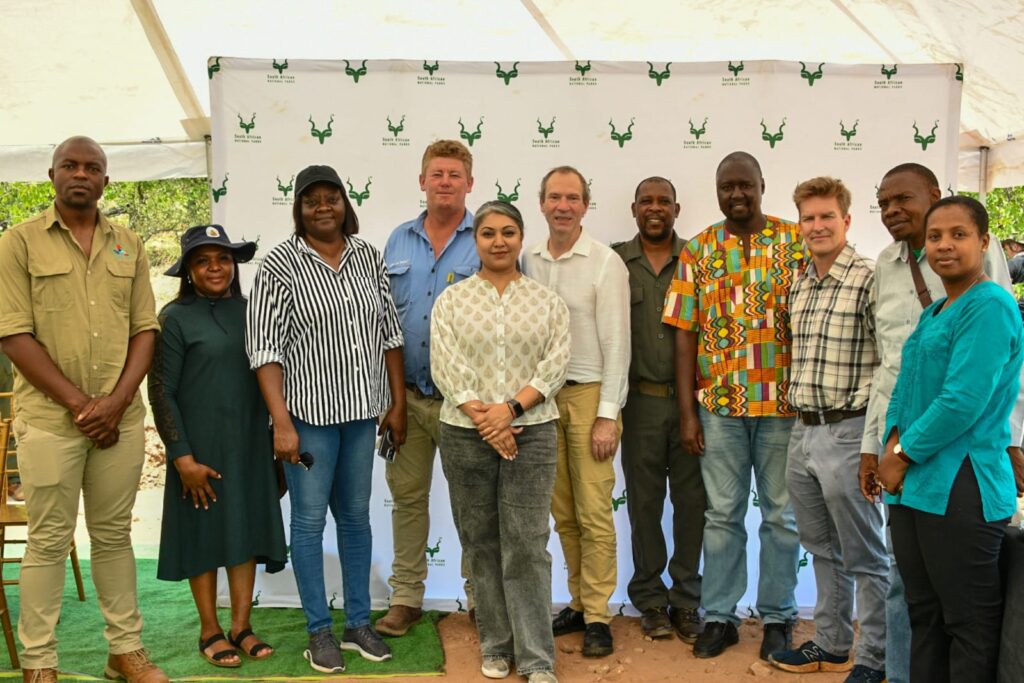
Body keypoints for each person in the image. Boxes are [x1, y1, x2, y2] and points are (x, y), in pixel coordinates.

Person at [0, 136, 167, 683]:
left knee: (114, 535)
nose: (81, 174)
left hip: (119, 420)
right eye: (70, 165)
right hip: (51, 421)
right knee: (49, 539)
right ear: (51, 175)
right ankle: (41, 664)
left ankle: (125, 651)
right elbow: (13, 334)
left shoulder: (130, 244)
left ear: (105, 181)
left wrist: (115, 403)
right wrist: (80, 406)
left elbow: (145, 328)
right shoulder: (18, 243)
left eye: (92, 167)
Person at [859, 162, 1021, 683]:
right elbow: (904, 392)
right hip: (914, 489)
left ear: (984, 242)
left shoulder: (990, 306)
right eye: (935, 236)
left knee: (968, 622)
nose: (944, 245)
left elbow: (962, 401)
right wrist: (890, 448)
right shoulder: (934, 314)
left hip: (964, 486)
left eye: (958, 234)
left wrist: (900, 456)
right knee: (925, 615)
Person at [246, 164, 405, 674]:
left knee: (356, 519)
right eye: (311, 199)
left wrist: (396, 402)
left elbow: (390, 334)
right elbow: (264, 350)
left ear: (345, 202)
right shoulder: (277, 265)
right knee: (310, 522)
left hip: (362, 415)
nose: (322, 206)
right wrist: (281, 422)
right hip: (307, 418)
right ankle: (319, 631)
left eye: (330, 197)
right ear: (298, 208)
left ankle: (359, 623)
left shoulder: (367, 257)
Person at [662, 151, 802, 660]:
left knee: (782, 518)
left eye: (745, 185)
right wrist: (687, 413)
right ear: (717, 191)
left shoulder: (796, 241)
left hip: (785, 408)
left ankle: (779, 618)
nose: (736, 194)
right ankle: (719, 617)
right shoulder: (699, 250)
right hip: (719, 407)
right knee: (722, 516)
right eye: (727, 187)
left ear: (763, 184)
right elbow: (683, 336)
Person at [431, 201, 570, 683]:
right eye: (488, 232)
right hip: (466, 436)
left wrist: (508, 413)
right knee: (482, 543)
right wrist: (485, 419)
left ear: (520, 237)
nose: (498, 241)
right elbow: (447, 366)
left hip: (531, 434)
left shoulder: (547, 301)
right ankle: (495, 644)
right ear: (476, 239)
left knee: (528, 545)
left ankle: (536, 658)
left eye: (508, 232)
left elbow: (554, 365)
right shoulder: (451, 300)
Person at [148, 224, 287, 668]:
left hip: (249, 442)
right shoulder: (173, 318)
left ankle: (241, 626)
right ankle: (210, 629)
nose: (215, 267)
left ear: (234, 264)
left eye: (223, 259)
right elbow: (160, 390)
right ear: (188, 270)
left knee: (243, 532)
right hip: (199, 448)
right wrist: (181, 455)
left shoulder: (254, 312)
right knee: (205, 535)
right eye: (203, 260)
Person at [767, 177, 886, 683]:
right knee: (819, 547)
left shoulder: (867, 279)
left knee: (864, 555)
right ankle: (834, 644)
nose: (817, 226)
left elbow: (887, 364)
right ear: (800, 225)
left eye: (826, 217)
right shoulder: (800, 280)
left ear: (847, 221)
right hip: (803, 430)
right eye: (808, 218)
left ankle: (875, 656)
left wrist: (874, 443)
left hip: (848, 431)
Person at [523, 165, 630, 658]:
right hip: (541, 399)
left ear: (585, 205)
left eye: (572, 197)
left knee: (593, 510)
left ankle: (600, 614)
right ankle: (579, 603)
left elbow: (617, 344)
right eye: (554, 197)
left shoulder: (606, 262)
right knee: (562, 511)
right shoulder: (529, 260)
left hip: (590, 395)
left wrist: (608, 414)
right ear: (541, 204)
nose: (562, 205)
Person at [377, 140, 479, 637]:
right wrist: (391, 401)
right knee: (408, 500)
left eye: (454, 175)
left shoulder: (487, 239)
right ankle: (406, 597)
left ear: (469, 184)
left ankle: (481, 597)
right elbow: (381, 323)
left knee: (472, 503)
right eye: (436, 174)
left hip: (466, 405)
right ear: (422, 181)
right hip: (407, 401)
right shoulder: (396, 241)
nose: (444, 182)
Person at [611, 177, 705, 642]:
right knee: (644, 506)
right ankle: (649, 597)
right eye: (646, 201)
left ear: (676, 208)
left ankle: (687, 601)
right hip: (639, 404)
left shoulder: (698, 258)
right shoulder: (613, 261)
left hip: (694, 405)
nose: (654, 208)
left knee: (692, 505)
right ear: (633, 209)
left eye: (663, 201)